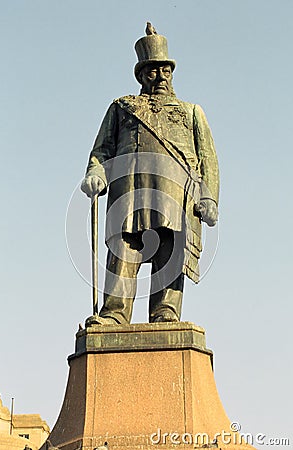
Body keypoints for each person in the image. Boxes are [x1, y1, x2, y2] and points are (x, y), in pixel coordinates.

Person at [81, 24, 219, 325]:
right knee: (124, 249)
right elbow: (102, 149)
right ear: (141, 75)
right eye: (152, 71)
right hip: (129, 191)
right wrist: (96, 172)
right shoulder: (122, 108)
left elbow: (208, 158)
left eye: (165, 71)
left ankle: (165, 311)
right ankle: (114, 313)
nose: (159, 77)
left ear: (172, 74)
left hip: (176, 195)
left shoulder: (191, 111)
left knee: (169, 251)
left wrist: (208, 197)